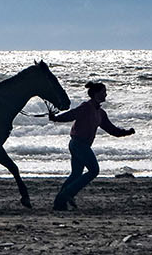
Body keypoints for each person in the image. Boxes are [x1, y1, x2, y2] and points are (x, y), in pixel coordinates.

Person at [48, 81, 134, 211]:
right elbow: (71, 114)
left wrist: (126, 132)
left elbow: (111, 129)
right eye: (104, 92)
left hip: (81, 145)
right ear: (96, 94)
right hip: (78, 144)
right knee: (94, 170)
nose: (106, 94)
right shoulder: (86, 107)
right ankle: (67, 195)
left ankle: (59, 202)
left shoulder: (100, 113)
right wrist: (56, 118)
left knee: (76, 174)